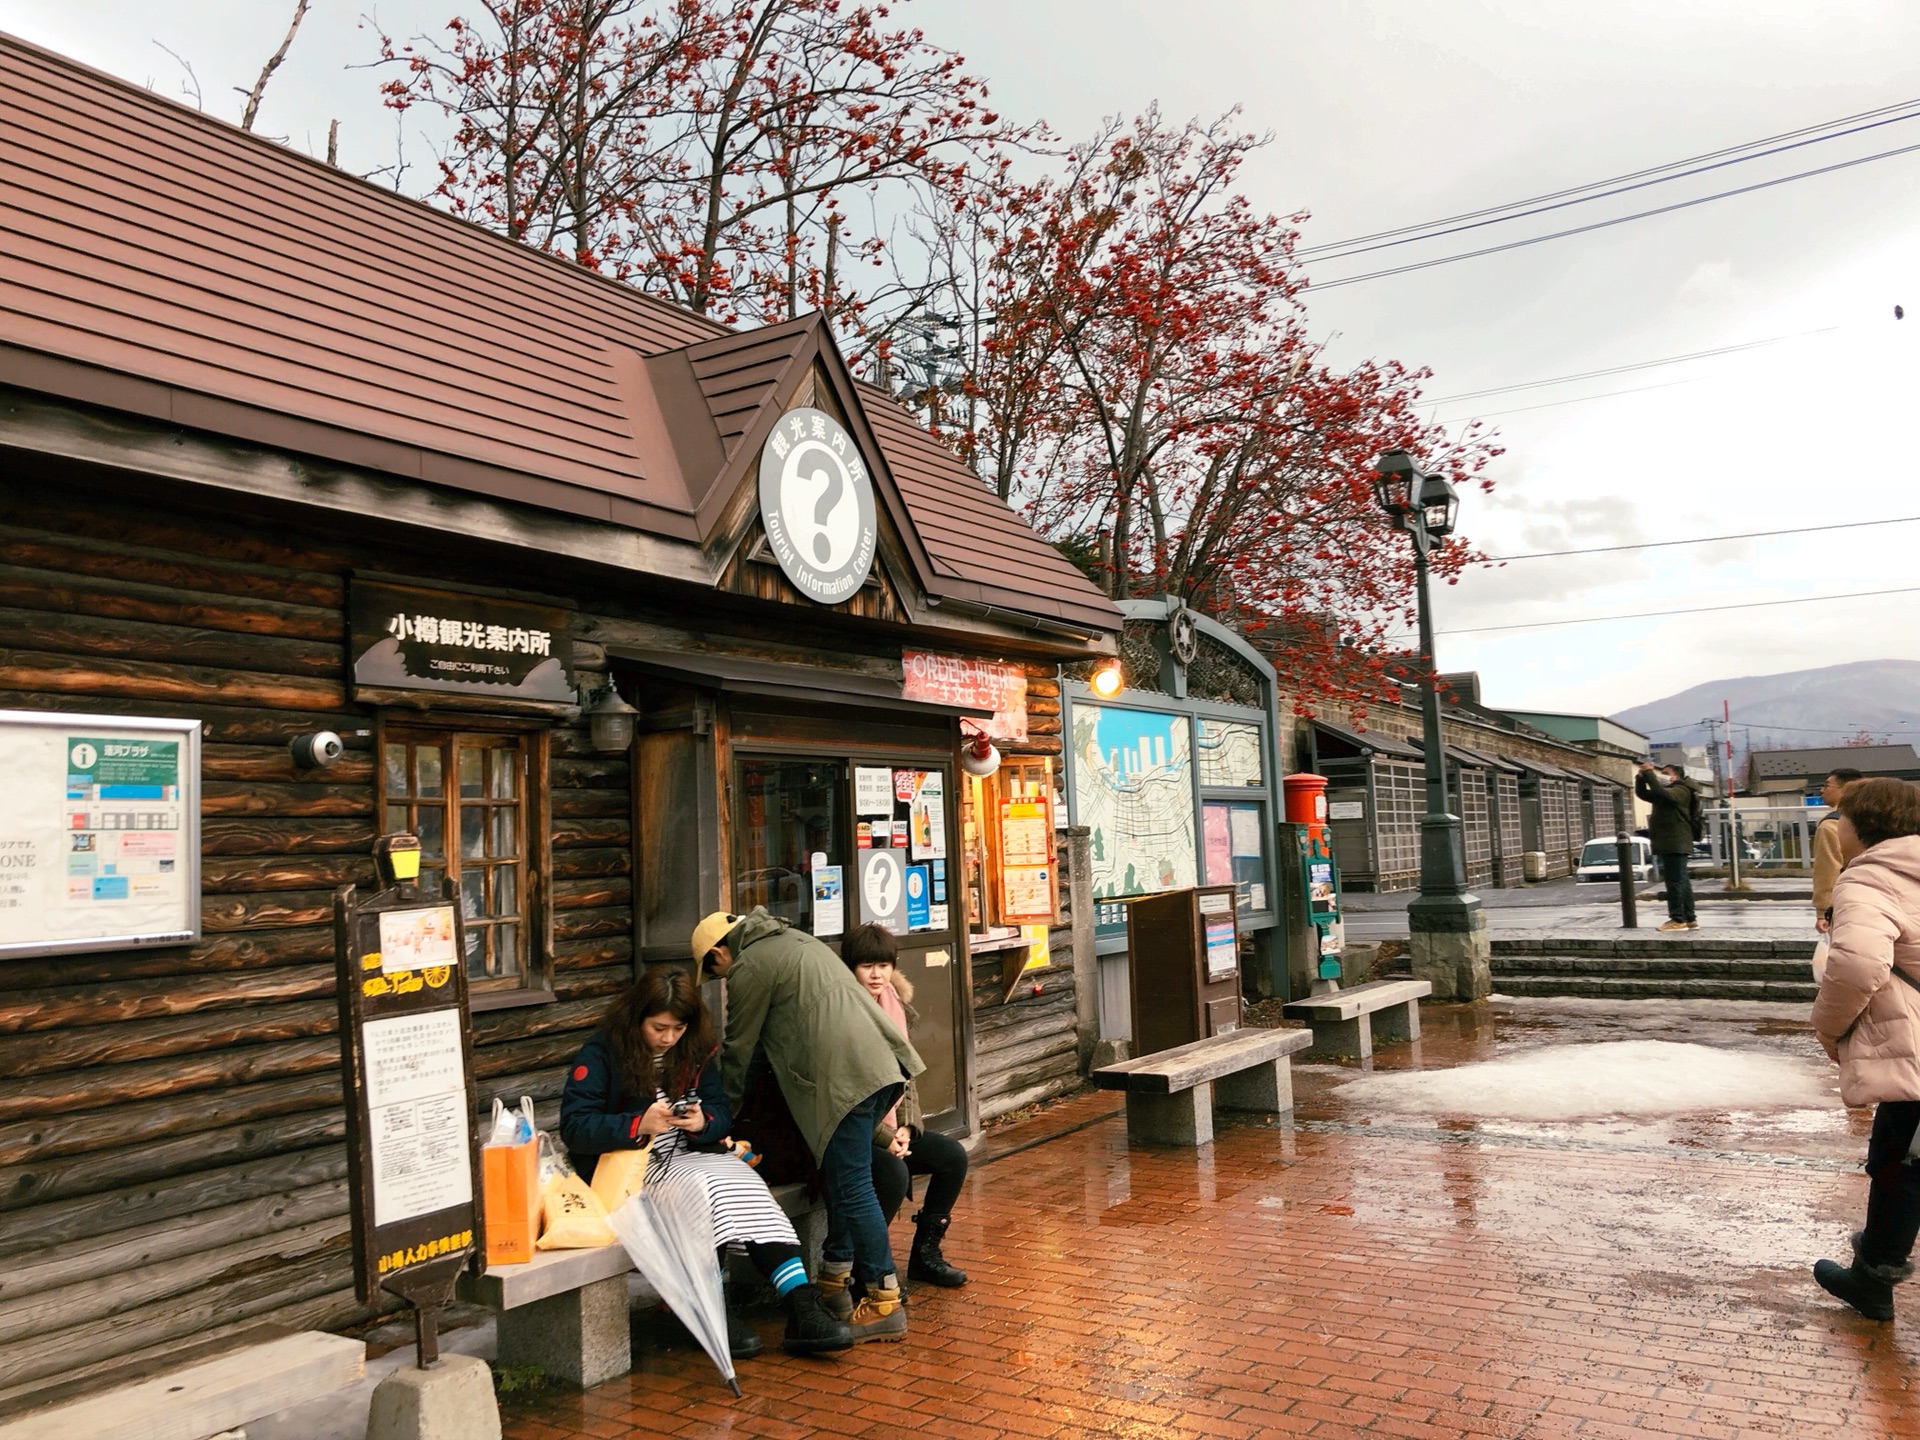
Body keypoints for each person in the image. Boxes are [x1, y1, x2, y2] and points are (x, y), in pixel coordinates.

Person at [558, 967, 852, 1358]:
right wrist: (637, 1123)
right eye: (658, 1028)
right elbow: (575, 1126)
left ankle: (800, 1303)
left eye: (677, 1029)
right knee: (700, 1191)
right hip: (634, 1167)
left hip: (694, 1153)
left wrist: (703, 1121)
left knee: (747, 1183)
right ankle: (709, 1305)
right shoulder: (602, 1052)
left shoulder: (694, 1049)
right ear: (636, 1018)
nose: (668, 1038)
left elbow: (719, 1110)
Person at [693, 908, 925, 1343]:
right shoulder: (798, 942)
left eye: (714, 969)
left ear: (720, 951)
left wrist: (718, 1115)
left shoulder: (750, 965)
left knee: (853, 1185)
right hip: (877, 1070)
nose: (721, 977)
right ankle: (835, 1283)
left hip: (845, 1080)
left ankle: (883, 1301)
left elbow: (739, 1050)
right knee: (841, 1177)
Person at [1810, 777, 1920, 1320]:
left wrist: (1828, 1028)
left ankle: (1873, 1279)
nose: (1838, 827)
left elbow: (1856, 965)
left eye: (1843, 817)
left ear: (1863, 825)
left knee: (1899, 1164)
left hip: (1914, 1051)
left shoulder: (1870, 879)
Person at [839, 923, 969, 1290]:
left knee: (952, 1157)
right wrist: (885, 1138)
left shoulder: (894, 1005)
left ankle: (925, 1256)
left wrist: (908, 1127)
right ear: (851, 967)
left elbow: (906, 1077)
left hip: (890, 1125)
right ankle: (868, 1272)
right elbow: (845, 1094)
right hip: (852, 1132)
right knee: (892, 1175)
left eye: (884, 965)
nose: (878, 974)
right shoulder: (843, 1014)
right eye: (867, 966)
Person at [1635, 761, 1700, 931]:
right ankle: (1689, 917)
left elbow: (1660, 792)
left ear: (1675, 776)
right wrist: (1641, 778)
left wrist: (1650, 774)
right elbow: (1643, 794)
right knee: (1681, 881)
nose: (1661, 776)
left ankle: (1677, 919)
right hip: (1671, 841)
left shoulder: (1682, 790)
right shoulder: (1667, 792)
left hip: (1676, 841)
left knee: (1675, 882)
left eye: (1665, 773)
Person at [1813, 767, 1865, 934]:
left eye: (1827, 785)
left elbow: (1828, 870)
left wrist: (1823, 912)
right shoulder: (1877, 820)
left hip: (1848, 903)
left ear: (1845, 789)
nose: (1822, 790)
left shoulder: (1831, 826)